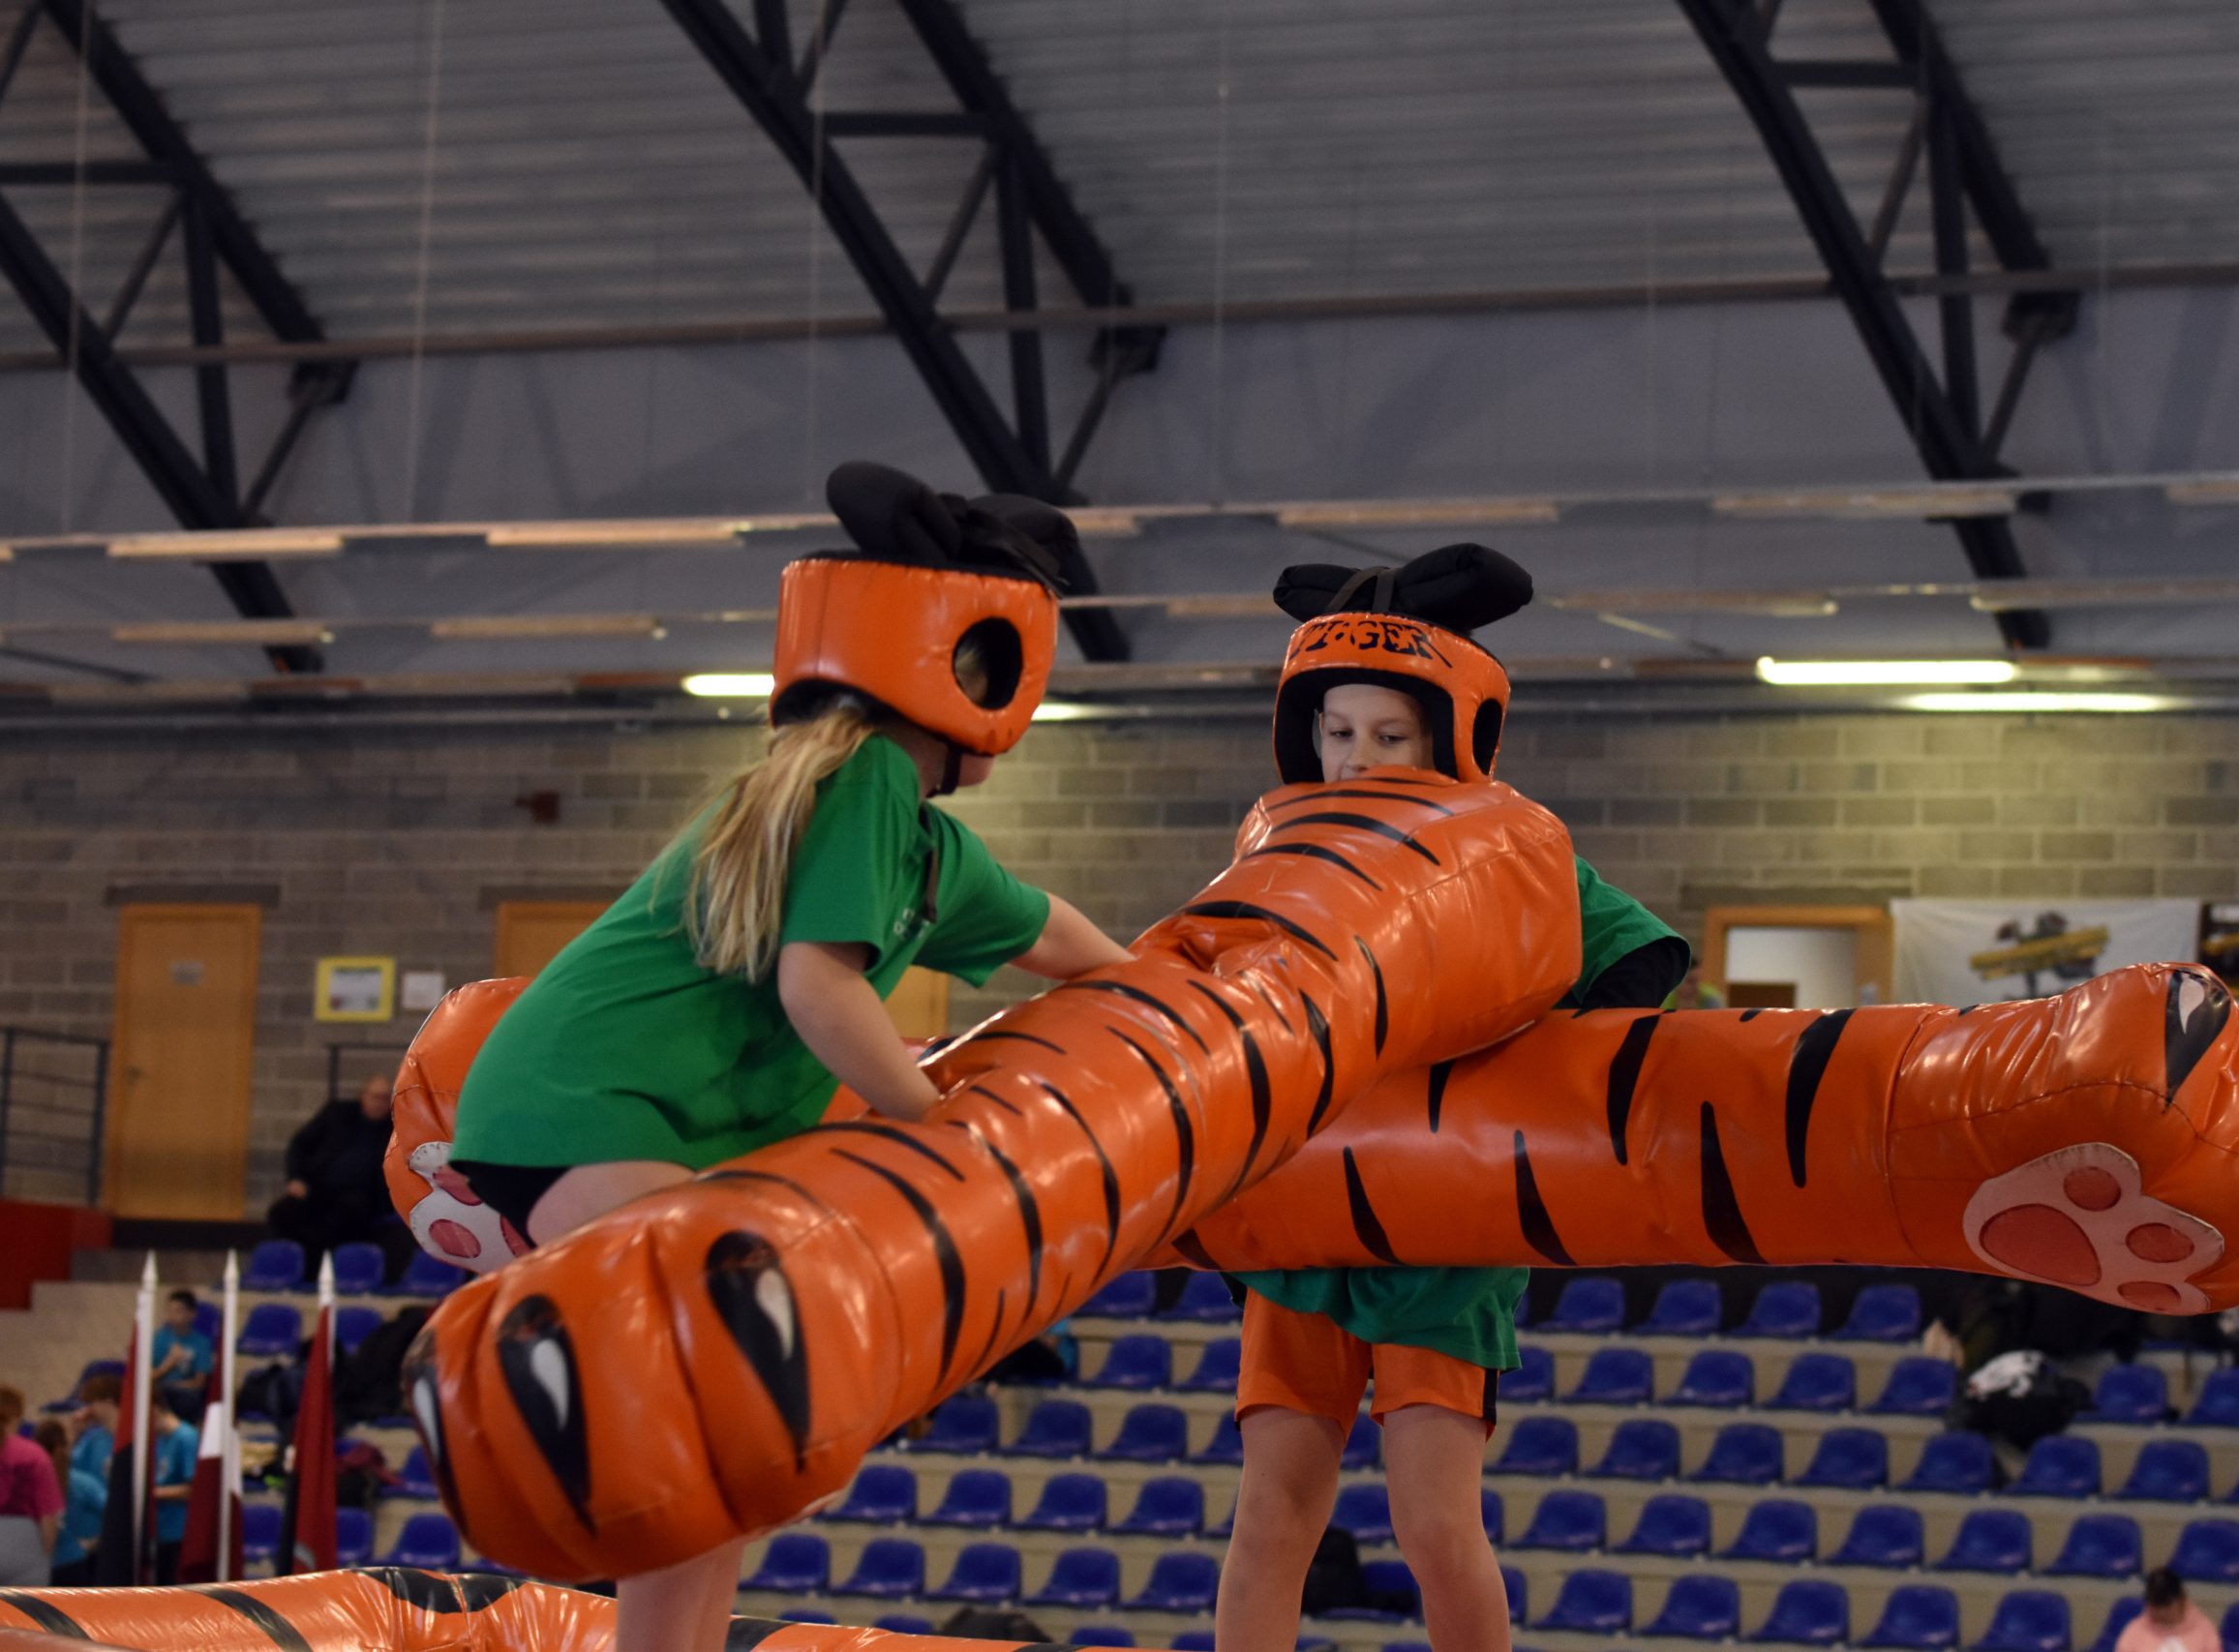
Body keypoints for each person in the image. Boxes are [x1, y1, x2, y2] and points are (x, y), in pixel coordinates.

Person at [447, 463, 1134, 1652]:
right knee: (730, 1381)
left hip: (618, 1115)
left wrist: (1173, 991)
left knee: (728, 1450)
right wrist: (939, 1124)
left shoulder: (925, 847)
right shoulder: (865, 779)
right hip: (587, 1105)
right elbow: (818, 988)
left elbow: (1055, 936)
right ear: (975, 674)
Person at [1215, 544, 1689, 1652]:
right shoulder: (1282, 849)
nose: (1357, 756)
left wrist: (1542, 1078)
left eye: (1390, 735)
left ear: (1445, 736)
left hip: (1443, 1227)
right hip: (1310, 1216)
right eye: (1339, 732)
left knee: (1433, 1523)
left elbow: (1638, 959)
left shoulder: (1502, 849)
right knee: (1271, 1515)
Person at [268, 1072, 411, 1279]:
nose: (379, 1103)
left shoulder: (396, 1128)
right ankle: (290, 1271)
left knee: (343, 1216)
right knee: (282, 1212)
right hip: (317, 1190)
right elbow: (299, 1145)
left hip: (364, 1198)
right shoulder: (337, 1114)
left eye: (385, 1098)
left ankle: (323, 1272)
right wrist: (295, 1178)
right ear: (363, 1096)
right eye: (375, 1097)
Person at [0, 1386, 65, 1586]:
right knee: (26, 1605)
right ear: (15, 1417)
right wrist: (46, 1555)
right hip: (24, 1543)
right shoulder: (33, 1454)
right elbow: (48, 1513)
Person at [31, 1418, 105, 1585]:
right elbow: (116, 1515)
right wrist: (95, 1542)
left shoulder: (27, 1484)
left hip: (38, 1565)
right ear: (65, 1447)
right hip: (72, 1564)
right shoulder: (83, 1483)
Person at [146, 1391, 197, 1586]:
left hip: (178, 1530)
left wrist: (152, 1494)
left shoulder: (186, 1438)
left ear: (154, 1409)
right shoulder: (159, 1440)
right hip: (160, 1529)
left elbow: (192, 1489)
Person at [2116, 1568, 2221, 1652]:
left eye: (2167, 1606)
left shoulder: (2204, 1631)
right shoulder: (2134, 1632)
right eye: (2156, 1606)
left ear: (2181, 1599)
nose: (2161, 1613)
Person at [151, 1290, 214, 1425]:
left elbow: (199, 1382)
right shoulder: (158, 1339)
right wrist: (168, 1364)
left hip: (184, 1394)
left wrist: (171, 1385)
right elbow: (147, 1377)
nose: (172, 1315)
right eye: (169, 1310)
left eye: (178, 1311)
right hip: (159, 1392)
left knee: (186, 1400)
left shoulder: (201, 1343)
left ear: (191, 1315)